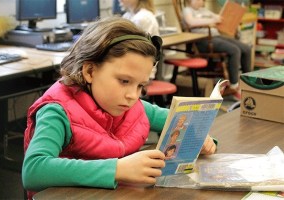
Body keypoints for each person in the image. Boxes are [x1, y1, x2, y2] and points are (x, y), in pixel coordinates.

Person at [22, 17, 217, 199]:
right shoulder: (57, 111)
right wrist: (117, 169)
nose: (133, 95)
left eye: (140, 85)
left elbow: (180, 120)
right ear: (90, 71)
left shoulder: (131, 106)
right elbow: (34, 171)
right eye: (124, 81)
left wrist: (197, 138)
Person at [182, 0, 252, 99]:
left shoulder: (204, 10)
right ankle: (234, 85)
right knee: (234, 50)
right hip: (202, 41)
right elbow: (191, 22)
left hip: (216, 37)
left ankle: (249, 82)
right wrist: (212, 21)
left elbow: (219, 17)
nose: (200, 1)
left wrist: (223, 17)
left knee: (246, 49)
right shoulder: (187, 10)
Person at [119, 0, 159, 79]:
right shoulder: (128, 16)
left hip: (141, 73)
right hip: (134, 67)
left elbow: (131, 48)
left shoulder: (143, 18)